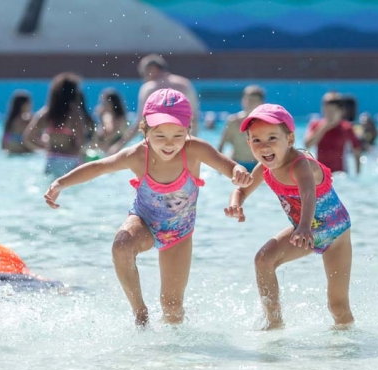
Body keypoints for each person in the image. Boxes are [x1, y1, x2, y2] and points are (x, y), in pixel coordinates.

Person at [44, 88, 252, 326]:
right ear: (145, 130)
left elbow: (229, 167)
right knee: (121, 246)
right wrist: (61, 182)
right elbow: (99, 167)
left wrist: (238, 172)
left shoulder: (195, 150)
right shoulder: (137, 155)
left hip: (179, 233)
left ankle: (173, 354)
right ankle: (140, 312)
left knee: (172, 308)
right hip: (143, 221)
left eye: (177, 135)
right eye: (160, 135)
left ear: (188, 130)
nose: (169, 144)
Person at [224, 103, 355, 330]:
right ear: (249, 144)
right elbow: (242, 189)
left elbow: (308, 193)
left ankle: (348, 345)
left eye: (272, 138)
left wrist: (304, 226)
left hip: (335, 234)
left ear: (290, 140)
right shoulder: (264, 167)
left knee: (337, 306)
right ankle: (274, 323)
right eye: (256, 141)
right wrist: (236, 204)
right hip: (305, 231)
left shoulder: (300, 165)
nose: (264, 147)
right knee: (263, 260)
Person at [108, 54, 200, 154]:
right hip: (183, 143)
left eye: (144, 74)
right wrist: (191, 145)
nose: (144, 78)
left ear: (153, 69)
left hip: (158, 146)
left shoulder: (149, 88)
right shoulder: (185, 84)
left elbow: (140, 122)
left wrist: (119, 145)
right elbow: (194, 118)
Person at [23, 72, 94, 176]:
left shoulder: (46, 113)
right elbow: (81, 142)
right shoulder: (74, 114)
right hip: (71, 160)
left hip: (51, 160)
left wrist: (45, 147)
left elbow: (27, 138)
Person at [304, 91, 362, 174]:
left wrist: (357, 173)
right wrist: (324, 128)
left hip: (340, 174)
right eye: (326, 110)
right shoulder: (316, 125)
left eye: (332, 111)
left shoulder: (346, 128)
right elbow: (307, 145)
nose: (329, 114)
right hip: (321, 174)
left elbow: (357, 152)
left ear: (341, 111)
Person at [217, 85, 266, 171]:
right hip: (237, 165)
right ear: (242, 101)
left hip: (257, 166)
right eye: (247, 99)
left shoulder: (265, 123)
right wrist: (220, 168)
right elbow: (221, 146)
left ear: (261, 103)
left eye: (253, 100)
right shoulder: (233, 121)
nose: (249, 103)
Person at [91, 88, 128, 154]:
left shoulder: (122, 119)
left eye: (104, 103)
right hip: (107, 152)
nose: (102, 105)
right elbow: (99, 138)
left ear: (112, 103)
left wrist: (101, 118)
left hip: (118, 153)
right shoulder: (106, 117)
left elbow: (109, 136)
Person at [2, 90, 34, 154]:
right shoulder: (27, 119)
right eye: (29, 103)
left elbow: (3, 143)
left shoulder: (10, 121)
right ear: (23, 105)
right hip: (23, 153)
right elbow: (32, 139)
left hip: (11, 152)